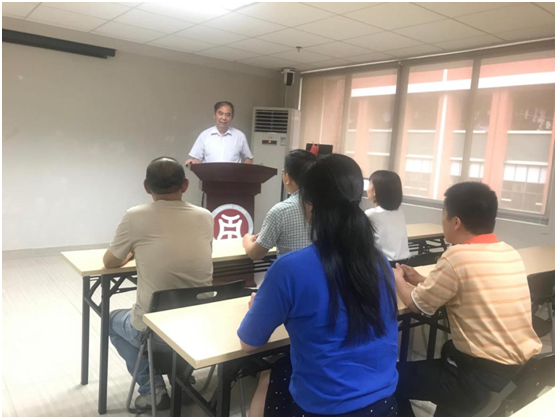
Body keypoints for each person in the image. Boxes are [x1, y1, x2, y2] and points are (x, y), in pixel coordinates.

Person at [238, 154, 399, 417]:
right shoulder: (378, 261)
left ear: (309, 207)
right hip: (384, 404)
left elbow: (248, 343)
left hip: (323, 408)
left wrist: (257, 308)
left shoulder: (290, 269)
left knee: (270, 375)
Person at [393, 182, 542, 416]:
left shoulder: (457, 256)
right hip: (516, 371)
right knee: (448, 350)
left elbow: (417, 304)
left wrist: (397, 279)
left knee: (390, 380)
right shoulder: (509, 251)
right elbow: (467, 287)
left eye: (443, 216)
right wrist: (420, 279)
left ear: (456, 222)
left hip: (476, 377)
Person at [103, 157, 214, 411]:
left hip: (157, 332)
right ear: (185, 185)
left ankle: (152, 390)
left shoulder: (135, 216)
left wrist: (132, 253)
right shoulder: (206, 216)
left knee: (111, 320)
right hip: (201, 326)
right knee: (184, 307)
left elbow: (109, 262)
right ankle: (184, 383)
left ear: (146, 187)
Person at [242, 149, 317, 260]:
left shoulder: (281, 211)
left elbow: (255, 254)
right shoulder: (328, 206)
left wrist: (247, 239)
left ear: (287, 177)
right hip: (321, 271)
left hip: (290, 271)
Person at [185, 101, 253, 165]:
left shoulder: (240, 136)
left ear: (232, 117)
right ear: (214, 115)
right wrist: (193, 162)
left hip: (233, 174)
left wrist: (243, 171)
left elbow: (249, 158)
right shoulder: (204, 135)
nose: (224, 118)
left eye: (228, 115)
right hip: (209, 174)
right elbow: (197, 159)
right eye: (220, 113)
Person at [365, 170, 410, 261]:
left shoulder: (371, 214)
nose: (367, 188)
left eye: (369, 184)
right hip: (405, 261)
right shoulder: (399, 212)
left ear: (375, 191)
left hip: (384, 264)